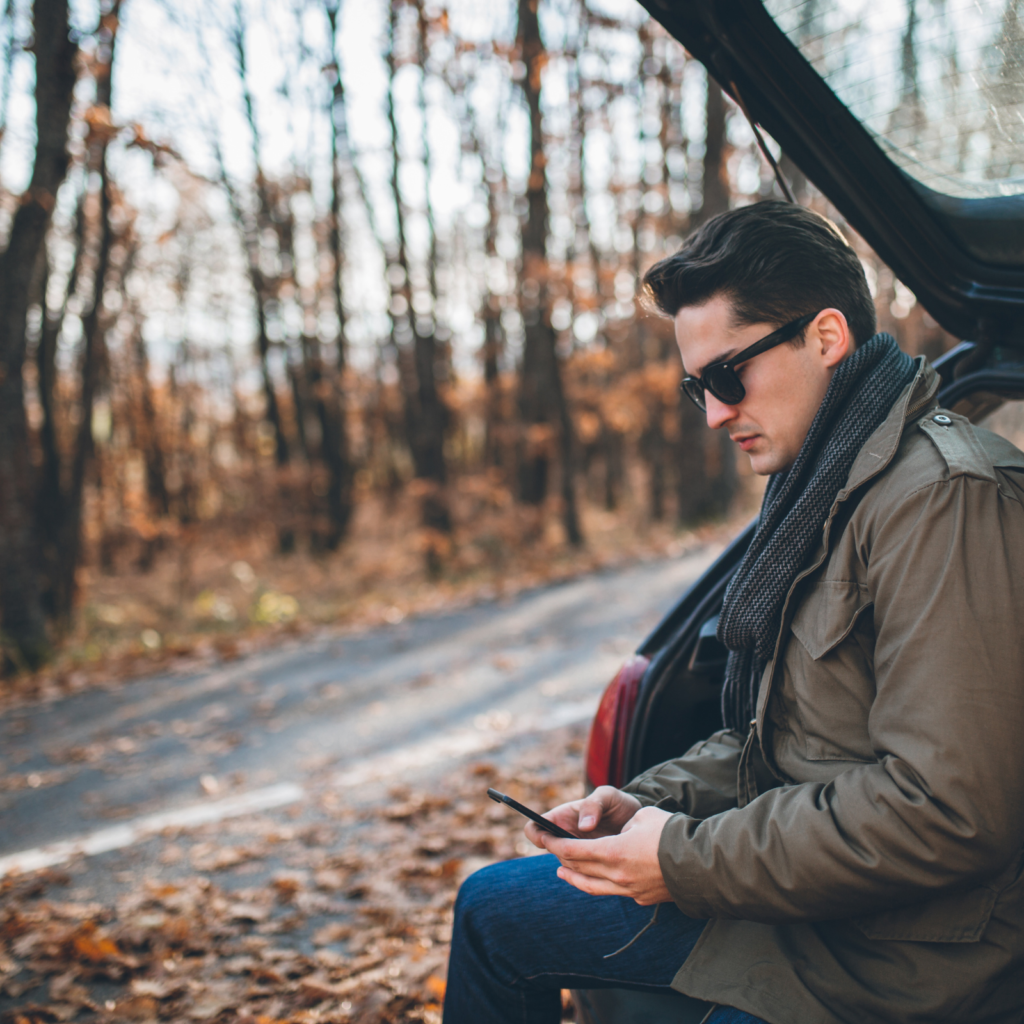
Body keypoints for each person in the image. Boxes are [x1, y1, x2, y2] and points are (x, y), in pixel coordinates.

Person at [442, 201, 1024, 1024]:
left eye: (726, 376)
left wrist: (682, 859)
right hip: (808, 907)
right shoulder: (823, 489)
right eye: (695, 387)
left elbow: (949, 813)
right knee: (492, 909)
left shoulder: (942, 501)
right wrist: (649, 807)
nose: (713, 413)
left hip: (896, 961)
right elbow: (787, 748)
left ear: (826, 339)